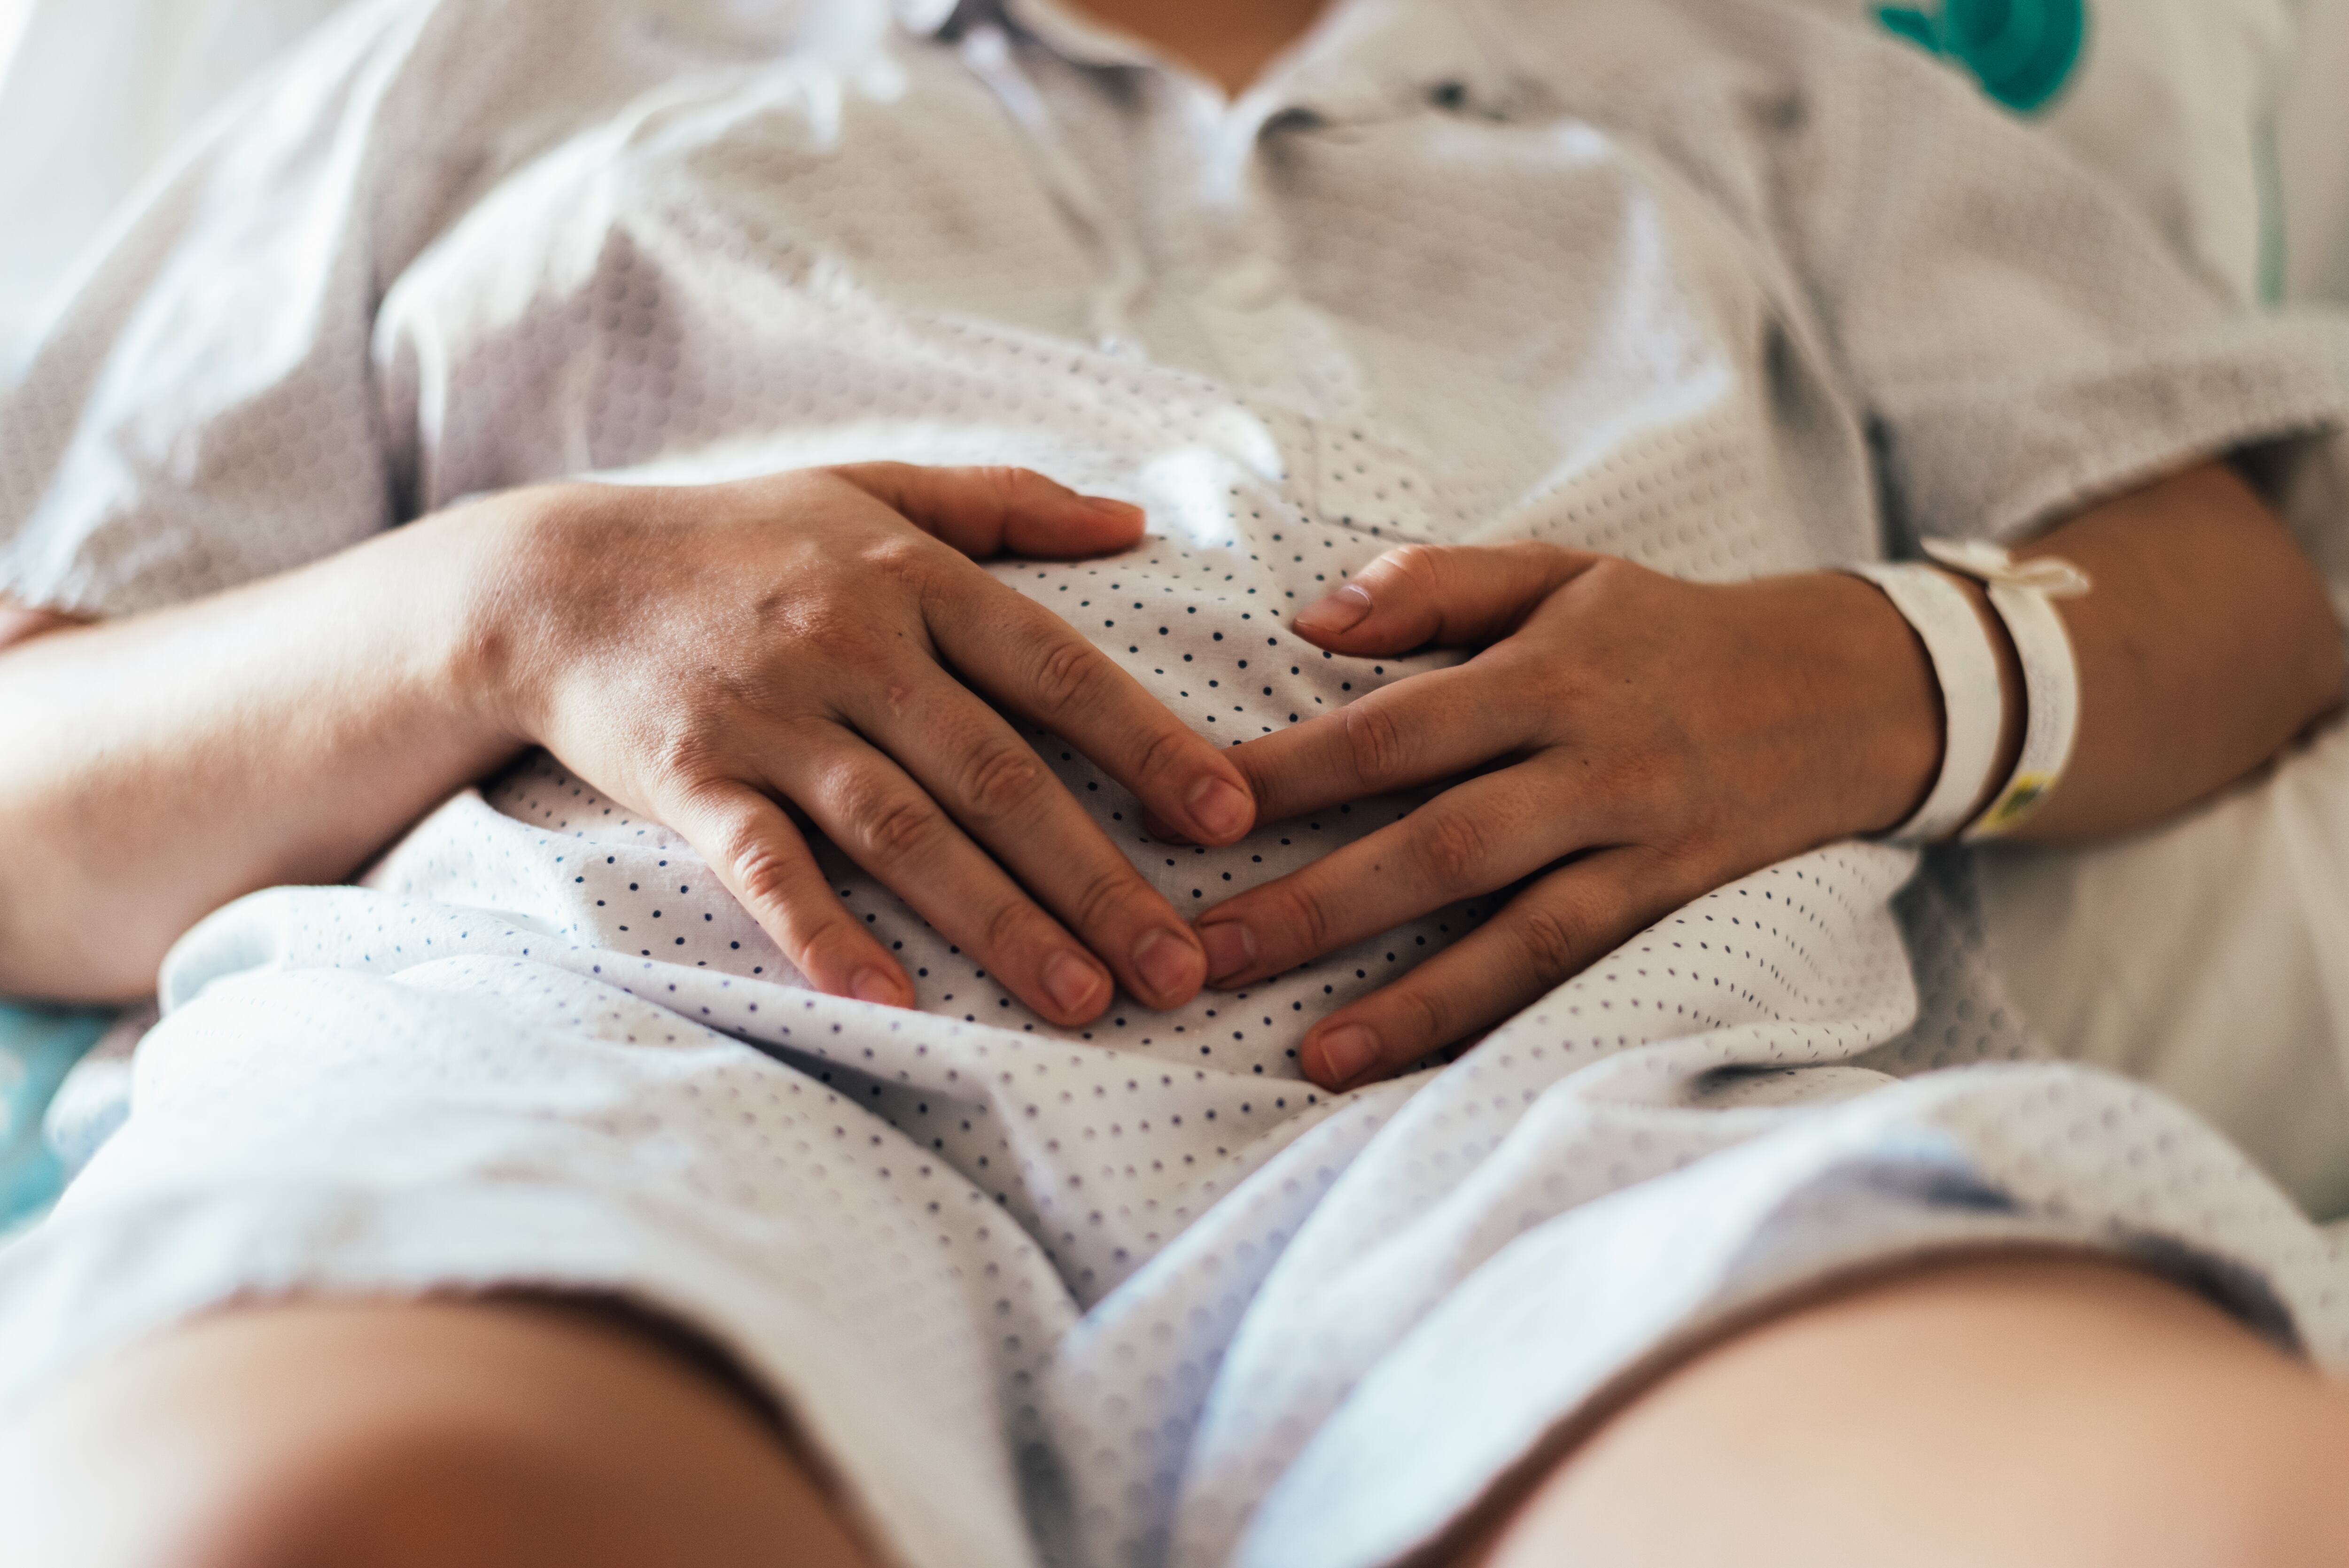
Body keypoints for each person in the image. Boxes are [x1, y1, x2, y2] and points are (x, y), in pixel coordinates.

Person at [2, 0, 2348, 1561]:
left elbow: (2229, 588)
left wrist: (1867, 670)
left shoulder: (1742, 64)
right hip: (618, 1046)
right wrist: (519, 596)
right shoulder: (492, 55)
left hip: (1575, 1117)